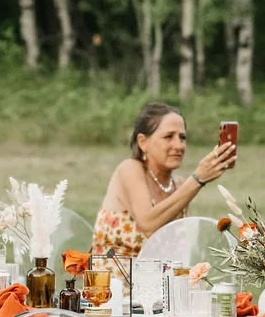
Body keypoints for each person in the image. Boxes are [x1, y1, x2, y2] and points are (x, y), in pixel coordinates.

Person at [95, 102, 237, 255]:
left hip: (158, 277)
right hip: (112, 276)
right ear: (143, 142)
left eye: (182, 137)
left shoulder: (179, 185)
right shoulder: (130, 169)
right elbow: (148, 225)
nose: (179, 145)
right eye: (168, 137)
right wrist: (197, 180)